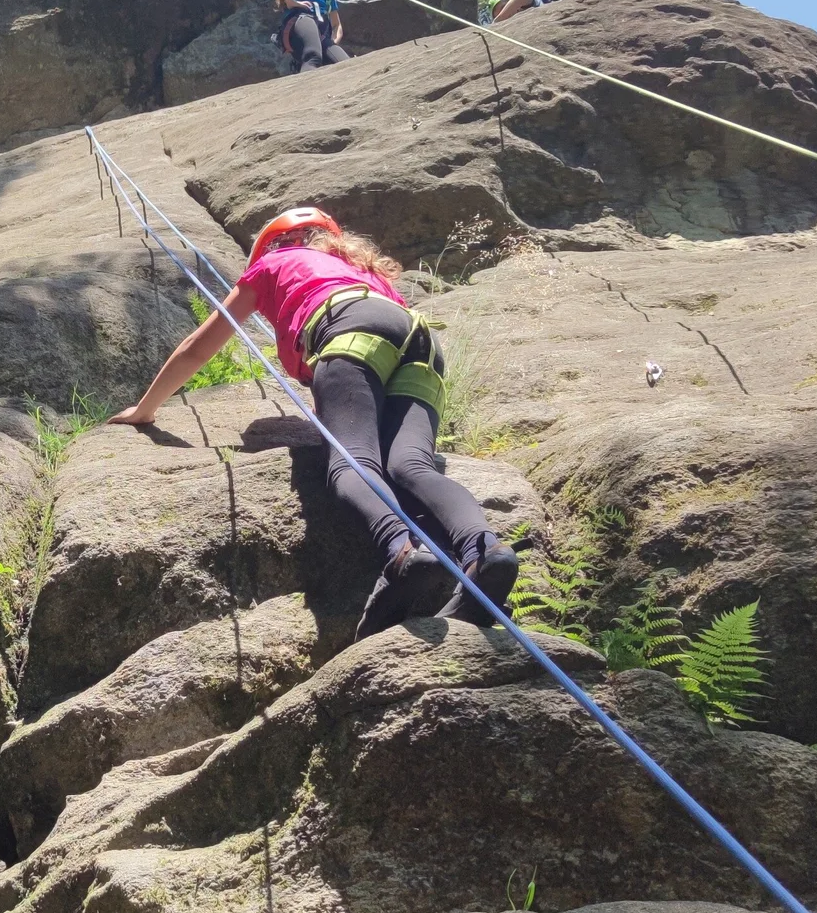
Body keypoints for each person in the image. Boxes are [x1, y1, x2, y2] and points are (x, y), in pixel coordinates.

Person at [108, 208, 519, 638]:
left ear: (271, 246)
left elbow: (198, 347)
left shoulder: (270, 264)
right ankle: (484, 551)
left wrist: (145, 409)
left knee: (352, 462)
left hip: (351, 332)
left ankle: (402, 553)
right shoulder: (363, 272)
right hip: (420, 342)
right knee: (410, 465)